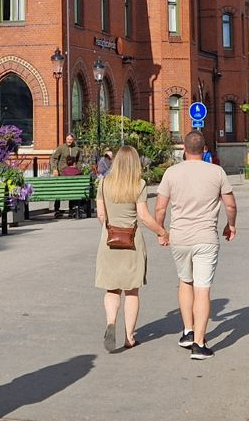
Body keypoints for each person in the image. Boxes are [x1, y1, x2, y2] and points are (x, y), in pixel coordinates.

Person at [141, 130, 236, 360]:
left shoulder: (172, 173)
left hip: (180, 237)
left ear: (184, 149)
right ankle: (199, 344)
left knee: (185, 282)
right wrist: (230, 225)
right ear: (204, 150)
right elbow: (231, 205)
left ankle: (187, 330)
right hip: (205, 238)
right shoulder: (217, 172)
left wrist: (162, 232)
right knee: (202, 288)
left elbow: (161, 207)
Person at [95, 145, 148, 352]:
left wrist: (110, 229)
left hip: (108, 240)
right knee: (132, 291)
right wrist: (162, 232)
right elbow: (143, 215)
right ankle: (129, 336)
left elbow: (101, 215)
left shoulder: (105, 183)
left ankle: (111, 321)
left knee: (112, 288)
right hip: (132, 241)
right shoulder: (139, 184)